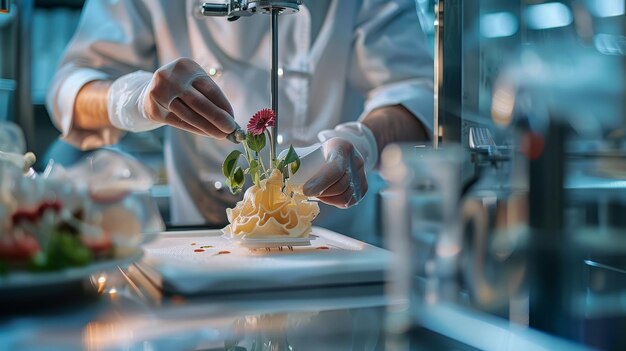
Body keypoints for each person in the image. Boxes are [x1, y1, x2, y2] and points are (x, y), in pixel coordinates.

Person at [46, 0, 433, 244]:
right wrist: (135, 98)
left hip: (336, 244)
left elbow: (417, 90)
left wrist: (363, 140)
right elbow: (68, 90)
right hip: (198, 241)